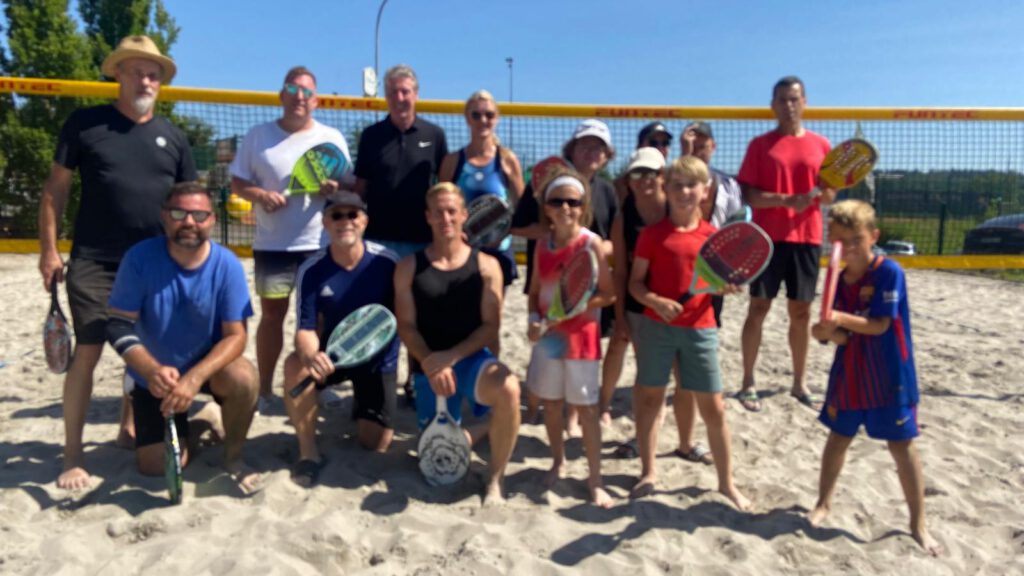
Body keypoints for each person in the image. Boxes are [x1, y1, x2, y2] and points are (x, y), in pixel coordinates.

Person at [37, 35, 197, 490]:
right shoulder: (86, 124)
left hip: (154, 262)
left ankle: (128, 427)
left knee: (144, 351)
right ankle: (72, 455)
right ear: (118, 74)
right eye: (137, 71)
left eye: (153, 74)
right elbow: (55, 189)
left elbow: (190, 204)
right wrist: (48, 249)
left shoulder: (174, 137)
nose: (146, 80)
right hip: (95, 261)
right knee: (87, 353)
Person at [106, 182, 260, 493]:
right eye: (179, 213)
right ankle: (201, 418)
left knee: (244, 377)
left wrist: (194, 378)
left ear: (212, 220)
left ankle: (233, 456)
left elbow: (236, 337)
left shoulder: (227, 263)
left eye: (199, 215)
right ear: (164, 216)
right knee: (154, 468)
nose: (189, 222)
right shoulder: (139, 258)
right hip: (157, 374)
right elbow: (118, 325)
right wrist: (151, 370)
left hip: (207, 369)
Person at [809, 200, 941, 556]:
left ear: (873, 236)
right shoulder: (838, 278)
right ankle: (823, 503)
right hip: (850, 371)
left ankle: (918, 523)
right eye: (840, 240)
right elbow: (844, 338)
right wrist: (824, 332)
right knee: (838, 438)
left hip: (890, 373)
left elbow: (880, 325)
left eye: (856, 239)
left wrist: (836, 318)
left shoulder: (888, 272)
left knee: (901, 445)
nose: (848, 247)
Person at [627, 156, 750, 511]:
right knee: (650, 400)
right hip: (657, 327)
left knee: (714, 408)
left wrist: (726, 288)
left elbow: (718, 283)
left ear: (705, 190)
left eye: (692, 185)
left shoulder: (713, 238)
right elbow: (635, 284)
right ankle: (649, 472)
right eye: (677, 185)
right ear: (666, 188)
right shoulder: (652, 235)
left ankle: (726, 483)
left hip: (700, 329)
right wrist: (655, 300)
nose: (684, 192)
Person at [230, 66, 352, 414]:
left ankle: (321, 384)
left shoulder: (331, 137)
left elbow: (347, 185)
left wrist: (334, 188)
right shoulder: (258, 136)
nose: (300, 96)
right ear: (282, 95)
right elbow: (238, 182)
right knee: (272, 317)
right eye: (293, 89)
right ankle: (266, 390)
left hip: (319, 245)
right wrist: (259, 195)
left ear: (316, 100)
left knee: (320, 318)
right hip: (273, 245)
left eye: (307, 91)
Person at [394, 182, 521, 505]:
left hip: (471, 360)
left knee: (509, 388)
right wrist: (430, 361)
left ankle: (495, 479)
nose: (445, 218)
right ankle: (481, 428)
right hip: (430, 367)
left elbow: (491, 327)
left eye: (452, 211)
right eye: (438, 212)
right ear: (428, 216)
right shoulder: (408, 267)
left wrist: (451, 357)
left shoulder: (487, 266)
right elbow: (406, 326)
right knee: (434, 454)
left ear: (465, 215)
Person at [282, 192, 399, 486]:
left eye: (352, 215)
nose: (345, 221)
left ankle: (361, 403)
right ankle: (308, 453)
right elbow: (305, 329)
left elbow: (404, 319)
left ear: (365, 221)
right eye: (336, 215)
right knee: (295, 366)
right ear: (325, 223)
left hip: (377, 361)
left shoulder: (387, 262)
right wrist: (312, 356)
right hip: (333, 357)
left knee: (375, 443)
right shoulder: (312, 269)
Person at [736, 76, 836, 412]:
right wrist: (785, 200)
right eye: (782, 99)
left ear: (804, 102)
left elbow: (830, 195)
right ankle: (748, 381)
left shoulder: (821, 145)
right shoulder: (760, 145)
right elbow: (748, 195)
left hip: (807, 238)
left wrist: (821, 194)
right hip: (767, 238)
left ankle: (799, 382)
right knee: (758, 308)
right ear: (773, 105)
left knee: (801, 312)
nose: (788, 105)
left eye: (794, 99)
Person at [607, 148, 712, 466]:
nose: (645, 179)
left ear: (662, 178)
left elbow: (702, 251)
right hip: (642, 304)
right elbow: (621, 273)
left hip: (686, 307)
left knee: (685, 380)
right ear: (629, 179)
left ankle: (686, 442)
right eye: (638, 173)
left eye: (651, 173)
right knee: (649, 381)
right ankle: (642, 439)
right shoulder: (624, 218)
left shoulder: (680, 204)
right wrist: (620, 317)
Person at [511, 119, 618, 431]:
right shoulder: (548, 186)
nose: (592, 151)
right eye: (585, 144)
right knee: (544, 350)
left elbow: (614, 239)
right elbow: (518, 227)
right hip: (547, 280)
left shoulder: (607, 191)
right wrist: (556, 233)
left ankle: (571, 415)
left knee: (578, 351)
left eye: (599, 147)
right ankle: (534, 406)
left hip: (587, 288)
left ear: (606, 156)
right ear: (572, 149)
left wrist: (594, 248)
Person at [354, 64, 448, 405]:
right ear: (386, 96)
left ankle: (415, 381)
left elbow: (444, 188)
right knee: (379, 313)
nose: (400, 97)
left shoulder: (434, 135)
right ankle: (377, 381)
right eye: (394, 91)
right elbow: (361, 187)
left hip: (421, 240)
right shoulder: (371, 136)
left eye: (406, 91)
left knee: (419, 316)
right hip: (378, 240)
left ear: (416, 95)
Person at [526, 169, 615, 508]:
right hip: (549, 339)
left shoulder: (591, 243)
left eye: (573, 202)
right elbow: (535, 292)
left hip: (581, 340)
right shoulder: (542, 245)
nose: (565, 207)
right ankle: (558, 462)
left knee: (587, 412)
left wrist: (574, 308)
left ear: (583, 207)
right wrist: (534, 320)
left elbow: (608, 294)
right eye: (558, 201)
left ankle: (596, 480)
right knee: (551, 405)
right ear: (547, 208)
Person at [439, 89, 525, 290]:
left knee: (493, 309)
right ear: (467, 118)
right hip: (462, 250)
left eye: (489, 115)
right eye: (476, 115)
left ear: (497, 118)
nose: (483, 120)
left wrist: (502, 232)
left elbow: (522, 208)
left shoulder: (507, 160)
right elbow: (441, 207)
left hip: (498, 249)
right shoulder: (453, 161)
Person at [680, 120, 745, 326]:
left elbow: (735, 224)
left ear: (713, 147)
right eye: (693, 147)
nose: (697, 152)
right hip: (681, 257)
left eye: (702, 146)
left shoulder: (728, 184)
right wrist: (685, 155)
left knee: (709, 319)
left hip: (715, 260)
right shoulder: (674, 180)